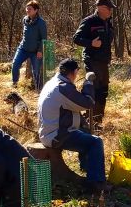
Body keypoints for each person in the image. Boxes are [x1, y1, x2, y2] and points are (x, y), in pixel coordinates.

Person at [38, 58, 108, 193]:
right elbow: (87, 103)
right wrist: (88, 82)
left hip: (49, 131)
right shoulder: (63, 88)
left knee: (85, 130)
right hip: (56, 135)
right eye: (77, 72)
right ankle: (96, 183)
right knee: (96, 142)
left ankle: (88, 169)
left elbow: (71, 106)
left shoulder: (53, 83)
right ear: (74, 72)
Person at [72, 0, 116, 129]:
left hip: (103, 62)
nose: (111, 11)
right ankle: (88, 121)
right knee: (93, 90)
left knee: (103, 91)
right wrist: (91, 43)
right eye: (109, 9)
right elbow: (76, 38)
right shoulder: (89, 22)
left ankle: (98, 120)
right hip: (92, 60)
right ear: (101, 8)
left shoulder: (108, 22)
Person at [11, 0, 47, 90]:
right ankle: (14, 83)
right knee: (15, 65)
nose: (27, 10)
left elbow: (44, 38)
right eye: (27, 9)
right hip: (23, 48)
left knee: (36, 71)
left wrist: (40, 51)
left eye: (30, 9)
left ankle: (39, 89)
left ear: (36, 10)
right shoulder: (25, 20)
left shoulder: (41, 23)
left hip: (35, 51)